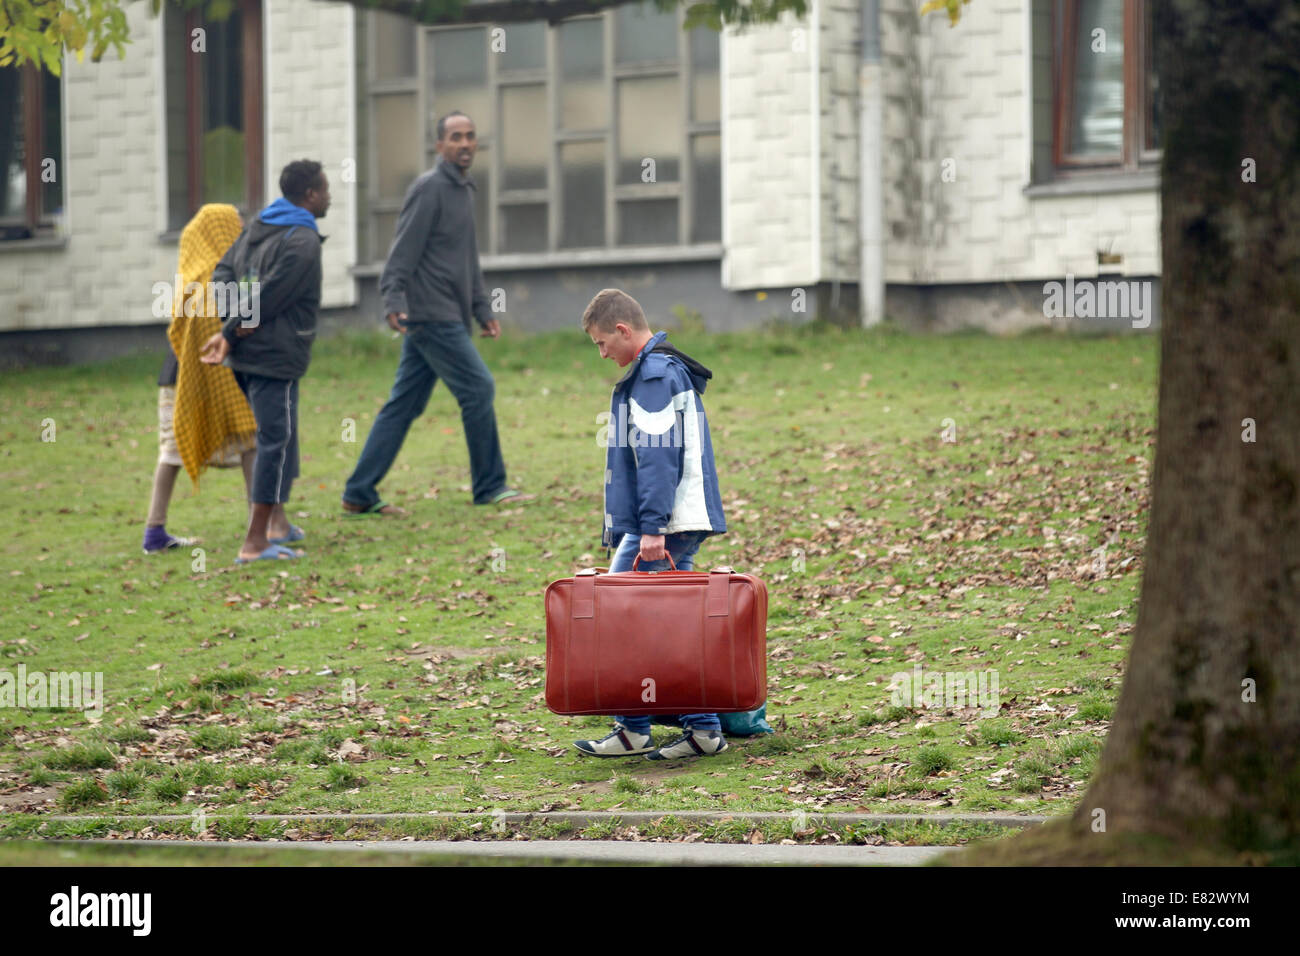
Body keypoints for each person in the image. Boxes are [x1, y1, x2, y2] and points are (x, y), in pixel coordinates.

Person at [341, 111, 533, 516]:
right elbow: (403, 249)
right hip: (431, 314)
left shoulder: (464, 190)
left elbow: (466, 259)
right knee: (478, 388)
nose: (465, 143)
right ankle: (490, 485)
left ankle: (359, 491)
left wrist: (482, 309)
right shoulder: (429, 189)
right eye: (455, 137)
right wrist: (392, 298)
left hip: (450, 312)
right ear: (439, 146)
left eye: (470, 136)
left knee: (404, 404)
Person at [572, 289, 729, 761]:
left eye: (602, 343)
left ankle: (645, 730)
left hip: (667, 521)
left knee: (624, 618)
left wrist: (653, 528)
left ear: (622, 330)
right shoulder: (659, 369)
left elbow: (658, 460)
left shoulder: (655, 376)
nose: (602, 355)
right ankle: (684, 729)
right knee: (658, 623)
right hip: (668, 518)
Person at [199, 160, 330, 563]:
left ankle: (277, 524)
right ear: (309, 195)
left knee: (280, 435)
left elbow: (222, 274)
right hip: (272, 355)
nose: (329, 196)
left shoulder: (259, 225)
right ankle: (254, 542)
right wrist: (235, 326)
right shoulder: (302, 241)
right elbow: (271, 294)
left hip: (249, 354)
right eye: (325, 189)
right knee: (274, 440)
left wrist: (232, 322)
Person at [142, 204, 259, 555]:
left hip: (179, 376)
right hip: (194, 378)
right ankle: (259, 523)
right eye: (235, 229)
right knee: (248, 441)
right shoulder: (211, 277)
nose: (241, 235)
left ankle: (155, 531)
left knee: (177, 451)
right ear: (219, 233)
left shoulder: (191, 275)